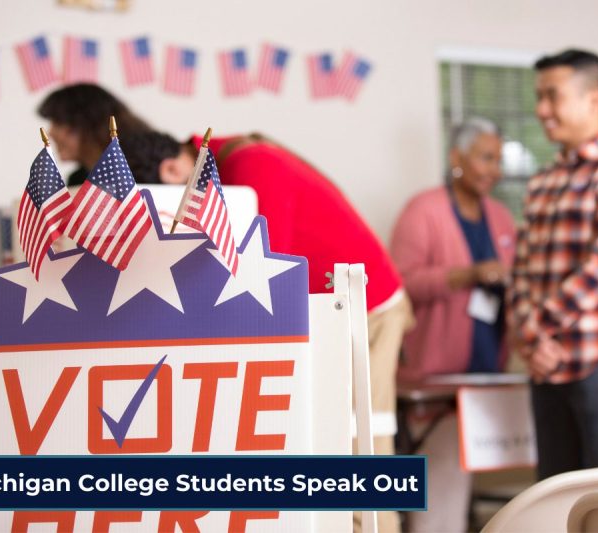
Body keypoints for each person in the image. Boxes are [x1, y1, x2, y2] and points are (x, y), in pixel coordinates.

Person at [124, 130, 413, 533]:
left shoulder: (250, 167)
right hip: (328, 305)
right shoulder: (231, 163)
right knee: (331, 438)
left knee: (359, 440)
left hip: (367, 307)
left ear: (172, 170)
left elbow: (267, 264)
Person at [508, 49, 598, 480]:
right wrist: (533, 340)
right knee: (553, 501)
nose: (542, 110)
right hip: (545, 366)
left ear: (594, 100)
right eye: (539, 97)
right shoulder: (542, 181)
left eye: (552, 96)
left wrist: (536, 330)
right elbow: (521, 271)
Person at [389, 117, 516, 532]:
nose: (495, 169)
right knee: (439, 488)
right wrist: (467, 275)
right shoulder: (423, 211)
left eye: (498, 160)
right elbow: (400, 284)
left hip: (488, 370)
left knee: (463, 485)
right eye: (485, 158)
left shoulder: (501, 217)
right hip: (434, 377)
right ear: (456, 158)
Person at [38, 84, 151, 186]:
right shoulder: (77, 179)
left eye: (58, 123)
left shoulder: (147, 167)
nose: (51, 132)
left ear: (86, 124)